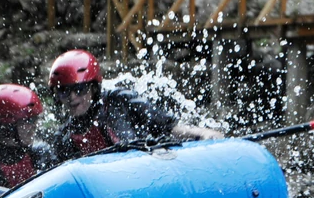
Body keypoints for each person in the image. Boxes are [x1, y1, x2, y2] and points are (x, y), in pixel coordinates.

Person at [47, 49, 224, 164]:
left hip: (142, 171)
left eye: (79, 89)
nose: (72, 97)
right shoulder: (64, 137)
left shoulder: (119, 101)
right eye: (64, 91)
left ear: (93, 88)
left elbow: (167, 126)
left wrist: (201, 133)